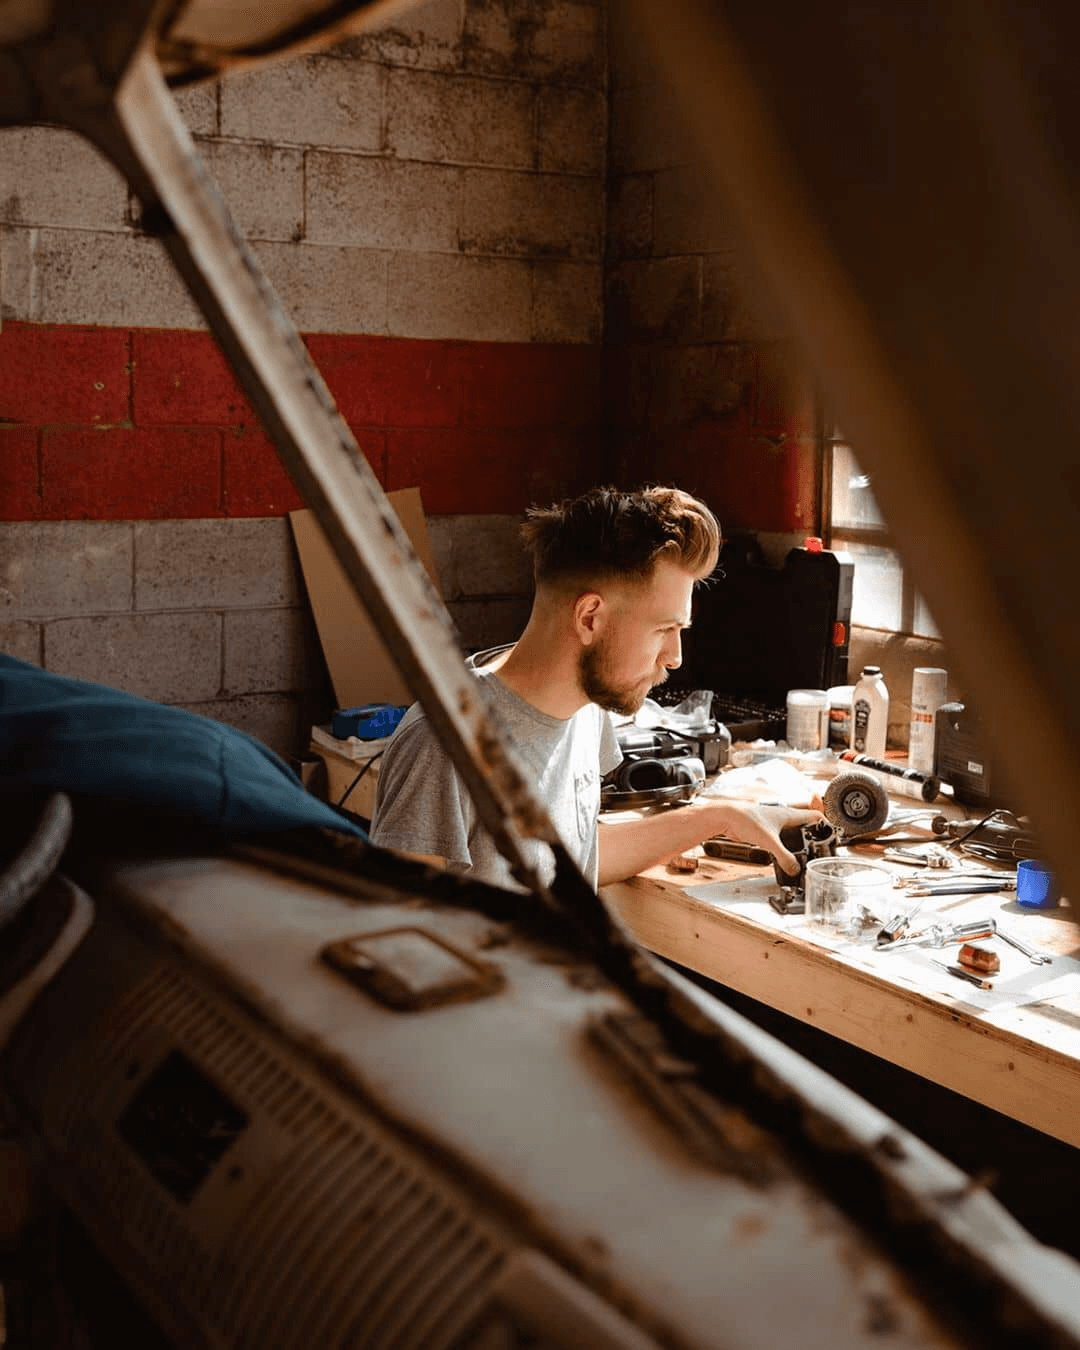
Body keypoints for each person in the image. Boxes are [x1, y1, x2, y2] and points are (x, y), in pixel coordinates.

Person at [370, 485, 821, 892]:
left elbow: (573, 854)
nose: (675, 656)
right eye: (663, 628)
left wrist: (721, 817)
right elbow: (390, 954)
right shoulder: (441, 746)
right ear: (590, 618)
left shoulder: (587, 707)